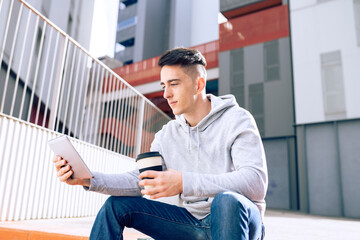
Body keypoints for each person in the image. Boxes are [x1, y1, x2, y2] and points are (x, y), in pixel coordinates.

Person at [53, 47, 268, 240]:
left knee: (227, 201)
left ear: (198, 84)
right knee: (116, 206)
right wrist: (88, 179)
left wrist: (184, 182)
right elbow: (141, 180)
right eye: (164, 85)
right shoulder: (167, 134)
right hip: (191, 224)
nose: (166, 94)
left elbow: (255, 182)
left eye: (174, 84)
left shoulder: (237, 119)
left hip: (240, 223)